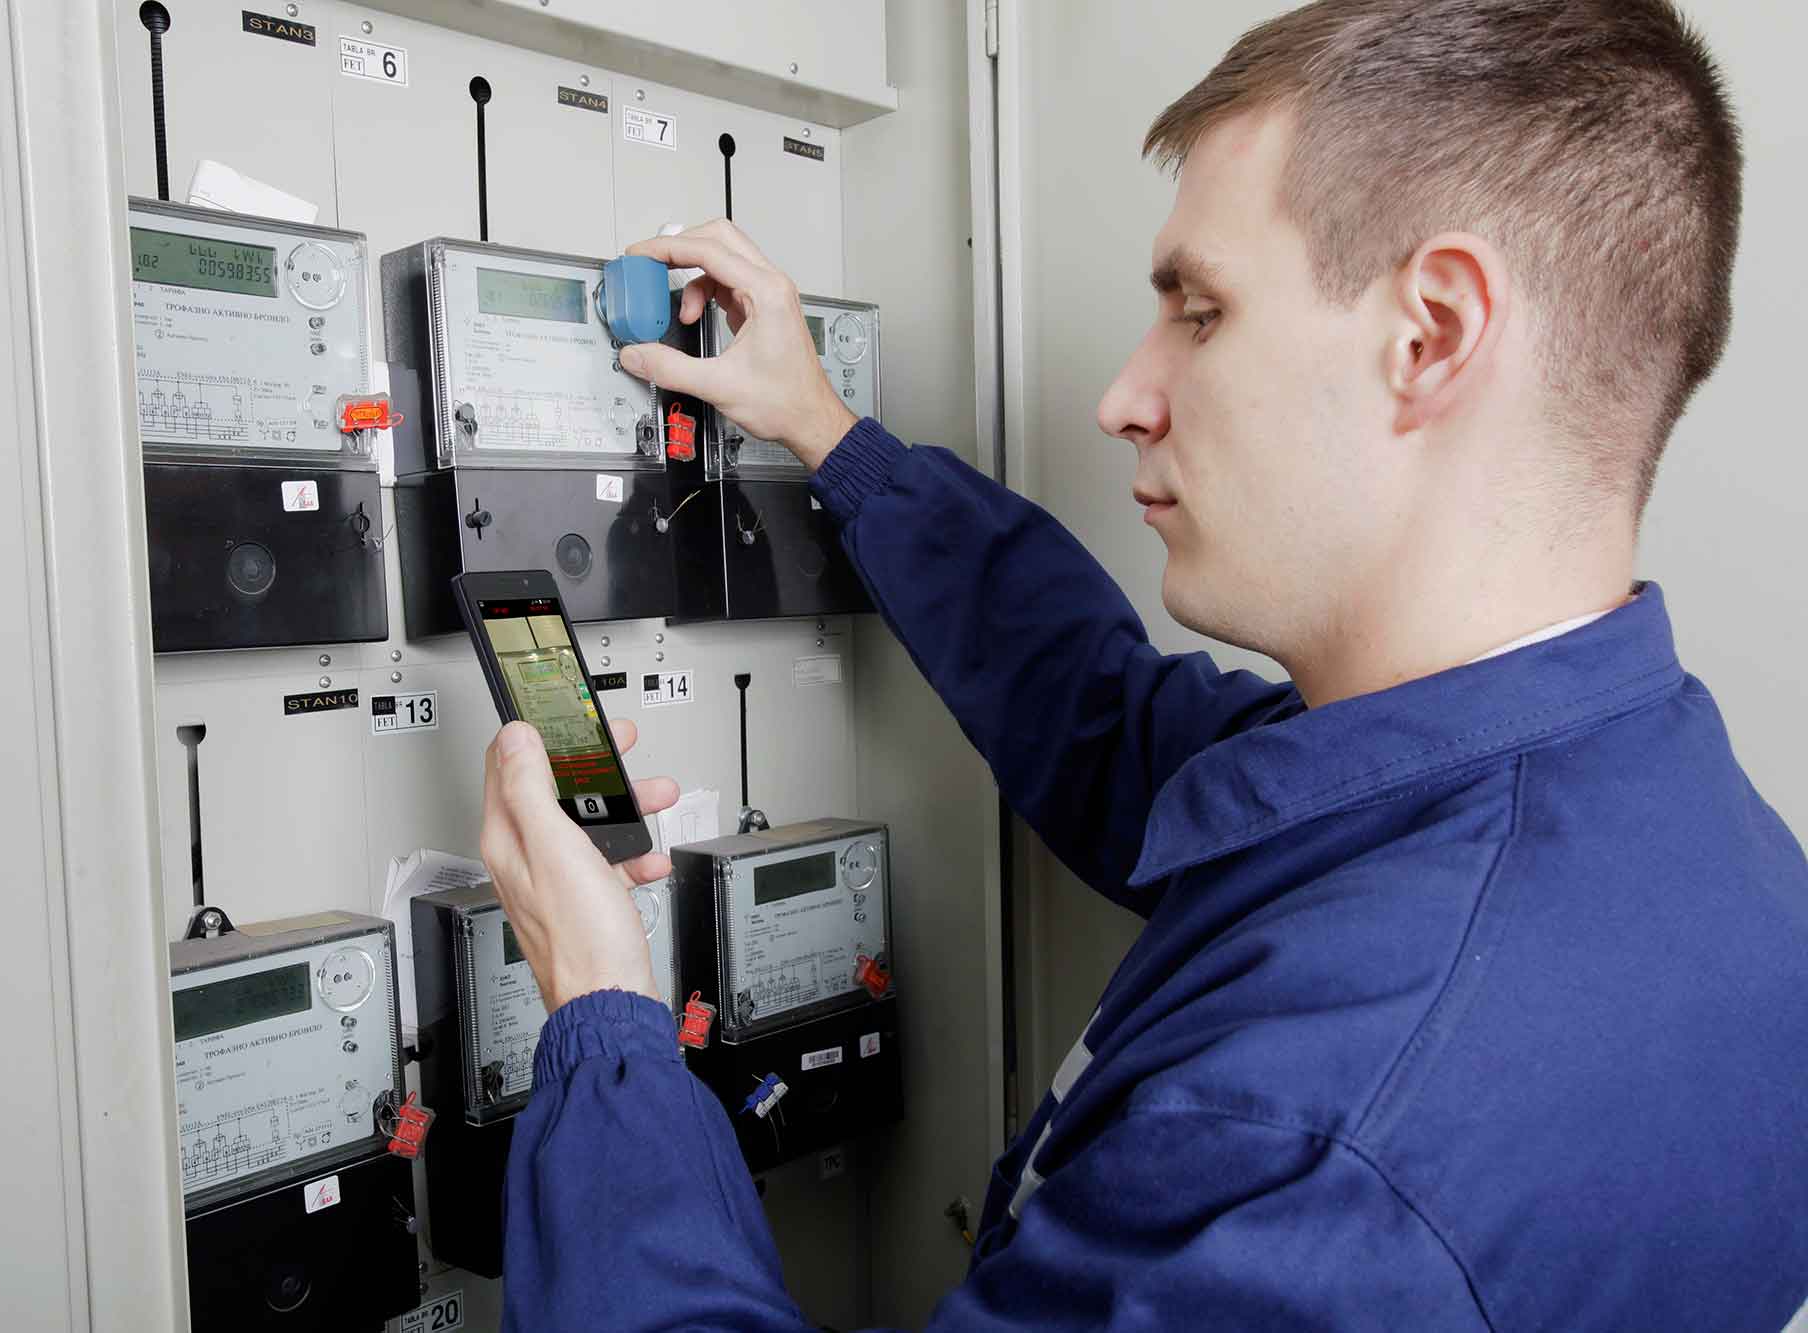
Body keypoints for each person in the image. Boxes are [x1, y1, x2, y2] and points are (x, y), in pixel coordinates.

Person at [473, 1, 1808, 1328]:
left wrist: (604, 1020)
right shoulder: (1705, 857)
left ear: (1433, 334)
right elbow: (1106, 720)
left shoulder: (1321, 1161)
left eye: (1201, 311)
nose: (1123, 398)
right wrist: (827, 431)